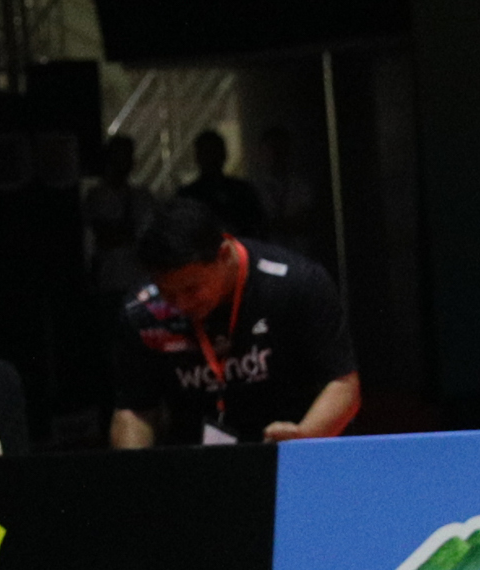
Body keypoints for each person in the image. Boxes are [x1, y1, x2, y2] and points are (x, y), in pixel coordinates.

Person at [108, 199, 359, 447]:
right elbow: (134, 409)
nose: (181, 304)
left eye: (192, 289)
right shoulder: (143, 311)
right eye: (168, 293)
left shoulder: (296, 284)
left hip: (287, 446)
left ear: (224, 255)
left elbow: (343, 384)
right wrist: (134, 470)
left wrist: (304, 439)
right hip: (195, 458)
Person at [81, 133, 156, 292]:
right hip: (110, 279)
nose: (124, 161)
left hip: (136, 278)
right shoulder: (97, 197)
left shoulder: (141, 196)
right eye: (120, 155)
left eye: (127, 156)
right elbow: (104, 236)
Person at [175, 127, 267, 237]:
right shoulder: (187, 196)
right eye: (207, 153)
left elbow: (256, 226)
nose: (211, 158)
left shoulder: (242, 191)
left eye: (214, 152)